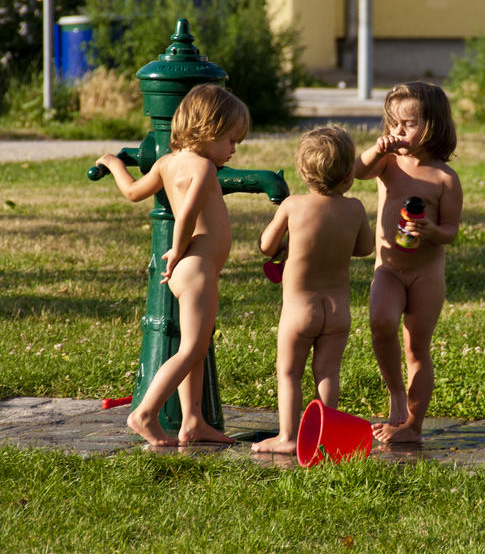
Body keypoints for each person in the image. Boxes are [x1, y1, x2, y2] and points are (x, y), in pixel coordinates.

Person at [96, 83, 250, 447]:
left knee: (194, 346)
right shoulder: (204, 168)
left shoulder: (166, 163)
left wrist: (114, 163)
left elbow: (132, 192)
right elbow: (187, 216)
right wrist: (178, 251)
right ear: (208, 130)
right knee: (193, 348)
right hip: (196, 267)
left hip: (191, 269)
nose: (232, 150)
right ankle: (145, 413)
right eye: (230, 140)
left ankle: (193, 422)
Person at [252, 125, 373, 455]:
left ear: (303, 172)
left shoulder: (293, 205)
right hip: (337, 311)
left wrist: (289, 245)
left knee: (289, 373)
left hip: (299, 311)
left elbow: (266, 246)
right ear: (349, 174)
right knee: (328, 372)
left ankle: (288, 438)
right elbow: (364, 248)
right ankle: (325, 436)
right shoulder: (355, 209)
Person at [354, 81, 463, 444]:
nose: (398, 131)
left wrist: (430, 228)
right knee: (380, 323)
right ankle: (396, 395)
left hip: (425, 275)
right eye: (393, 124)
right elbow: (358, 171)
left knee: (417, 349)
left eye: (409, 124)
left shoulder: (444, 177)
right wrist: (375, 149)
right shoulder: (387, 162)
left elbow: (450, 231)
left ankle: (412, 427)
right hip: (388, 268)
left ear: (432, 125)